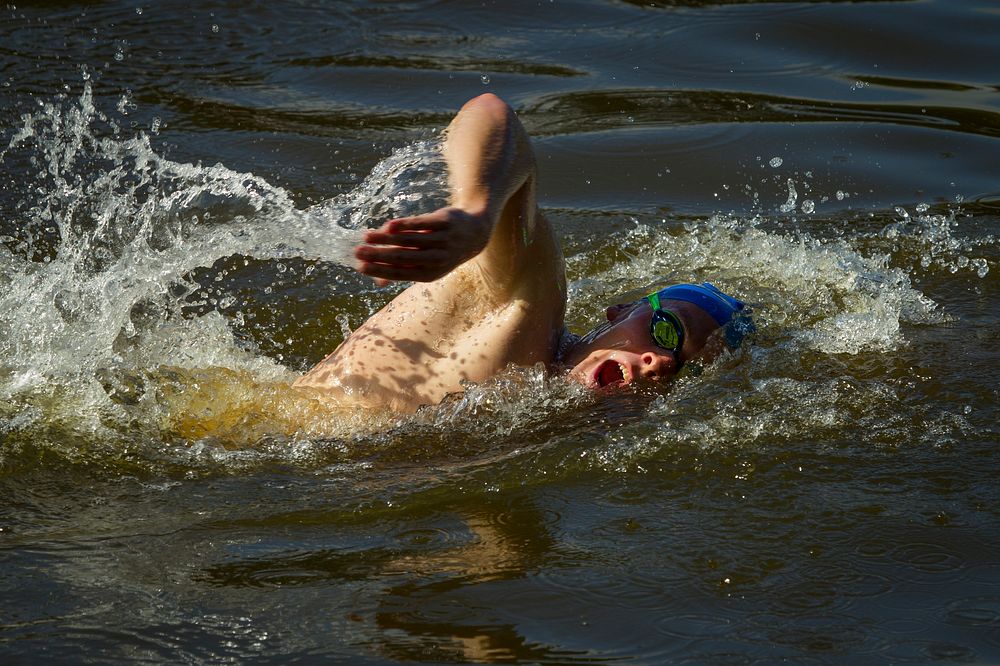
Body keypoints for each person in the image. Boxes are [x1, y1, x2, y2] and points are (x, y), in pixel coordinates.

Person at [294, 93, 752, 413]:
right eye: (667, 330)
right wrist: (478, 212)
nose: (664, 362)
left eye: (686, 370)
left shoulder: (559, 424)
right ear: (621, 311)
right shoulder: (524, 308)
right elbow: (492, 113)